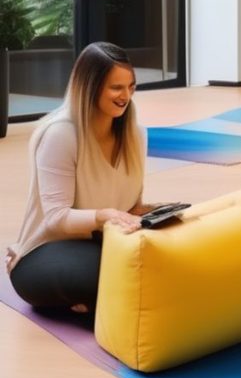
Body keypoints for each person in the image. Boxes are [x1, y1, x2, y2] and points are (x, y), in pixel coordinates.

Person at [5, 42, 149, 314]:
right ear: (90, 87)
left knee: (153, 262)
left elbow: (130, 207)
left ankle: (94, 305)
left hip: (101, 241)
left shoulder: (135, 134)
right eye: (116, 87)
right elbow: (55, 217)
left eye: (131, 86)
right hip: (45, 252)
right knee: (117, 272)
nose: (126, 96)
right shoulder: (61, 135)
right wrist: (105, 215)